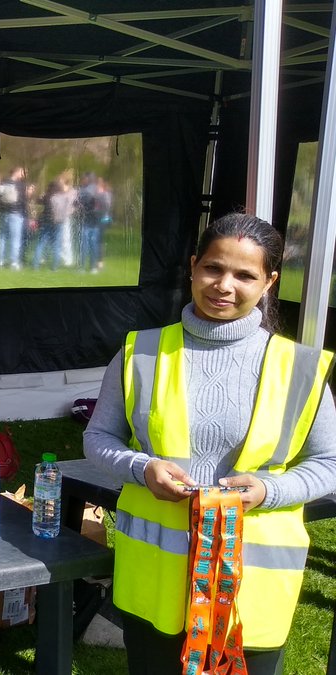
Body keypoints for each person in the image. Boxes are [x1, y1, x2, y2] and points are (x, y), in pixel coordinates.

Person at [83, 213, 336, 675]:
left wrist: (268, 491)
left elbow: (327, 463)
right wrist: (143, 469)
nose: (224, 285)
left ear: (269, 282)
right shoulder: (141, 352)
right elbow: (98, 438)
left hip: (252, 590)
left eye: (245, 275)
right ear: (193, 266)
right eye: (214, 268)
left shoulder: (299, 367)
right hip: (156, 582)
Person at [0, 166, 27, 269]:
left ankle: (0, 260)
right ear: (17, 172)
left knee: (2, 237)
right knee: (15, 239)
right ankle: (14, 262)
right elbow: (23, 201)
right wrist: (26, 214)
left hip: (4, 213)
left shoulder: (3, 183)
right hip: (16, 213)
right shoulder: (20, 185)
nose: (23, 175)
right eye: (22, 172)